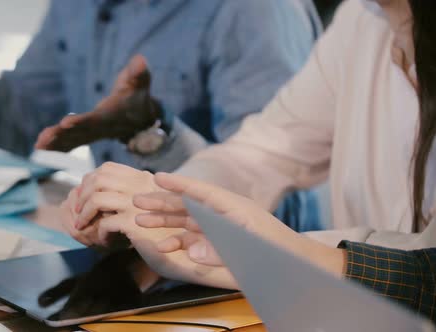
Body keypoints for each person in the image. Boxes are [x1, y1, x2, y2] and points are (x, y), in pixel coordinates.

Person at [59, 0, 436, 320]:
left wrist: (267, 251)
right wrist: (151, 205)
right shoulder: (361, 19)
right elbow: (262, 153)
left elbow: (423, 273)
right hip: (345, 313)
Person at [0, 0, 322, 230]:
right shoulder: (81, 6)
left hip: (235, 290)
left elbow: (289, 213)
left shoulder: (253, 11)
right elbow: (23, 122)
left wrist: (151, 134)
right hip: (124, 263)